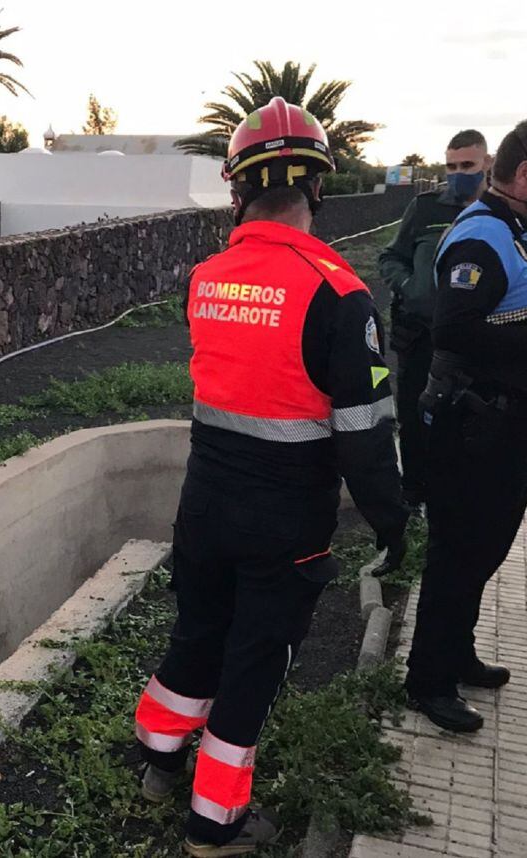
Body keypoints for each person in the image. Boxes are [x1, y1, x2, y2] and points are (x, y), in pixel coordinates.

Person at [133, 97, 409, 857]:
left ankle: (157, 755)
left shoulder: (207, 278)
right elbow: (363, 435)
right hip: (284, 523)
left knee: (197, 630)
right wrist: (394, 524)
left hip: (204, 505)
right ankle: (215, 823)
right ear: (318, 188)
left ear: (237, 190)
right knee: (254, 664)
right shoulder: (340, 294)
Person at [404, 118, 527, 733]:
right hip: (474, 425)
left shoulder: (516, 230)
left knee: (484, 549)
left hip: (505, 426)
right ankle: (427, 681)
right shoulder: (483, 235)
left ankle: (456, 652)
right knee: (458, 553)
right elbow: (454, 329)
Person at [378, 130, 491, 508]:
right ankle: (412, 493)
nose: (459, 173)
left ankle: (452, 496)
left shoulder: (498, 213)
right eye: (452, 166)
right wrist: (410, 286)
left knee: (464, 417)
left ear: (487, 164)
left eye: (468, 165)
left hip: (471, 341)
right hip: (418, 336)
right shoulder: (426, 208)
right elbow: (390, 257)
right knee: (412, 414)